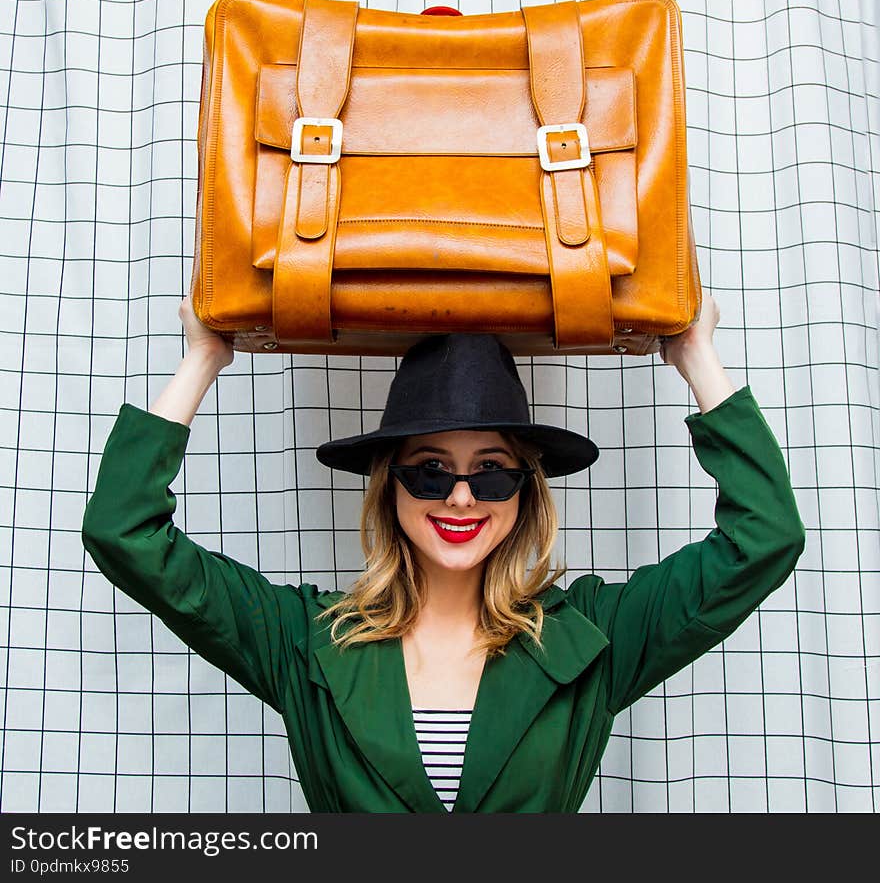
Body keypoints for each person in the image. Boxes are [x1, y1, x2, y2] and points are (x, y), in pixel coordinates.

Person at [81, 292, 805, 813]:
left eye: (490, 471)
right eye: (430, 470)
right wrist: (203, 358)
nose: (461, 498)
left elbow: (764, 538)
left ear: (525, 490)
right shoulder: (304, 641)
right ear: (390, 489)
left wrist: (696, 357)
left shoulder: (593, 639)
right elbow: (125, 531)